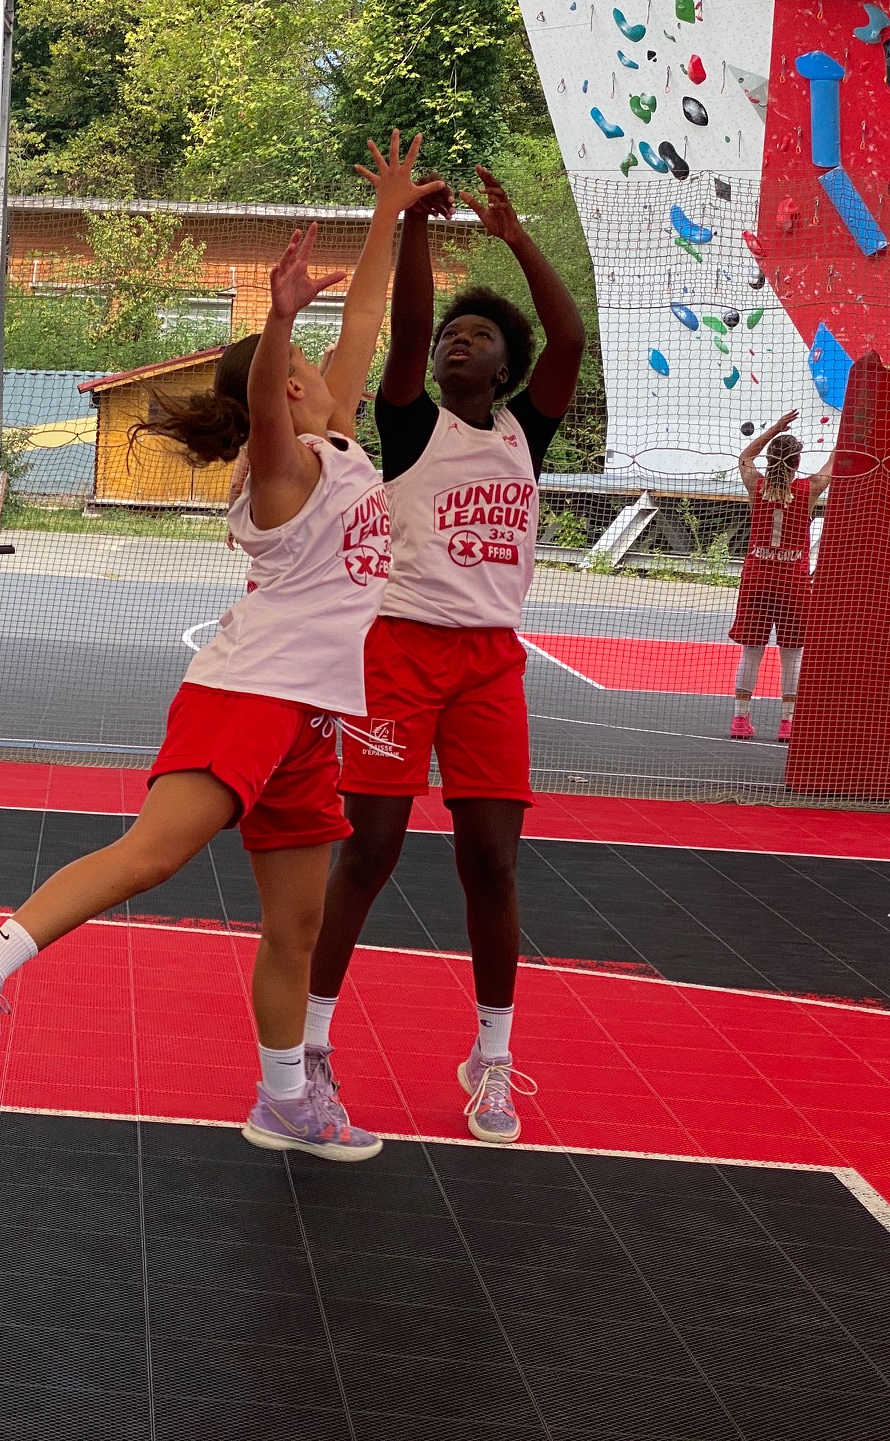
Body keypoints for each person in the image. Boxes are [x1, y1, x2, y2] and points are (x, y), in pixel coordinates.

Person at [0, 135, 445, 1161]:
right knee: (153, 855)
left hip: (306, 715)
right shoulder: (281, 476)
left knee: (296, 927)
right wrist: (277, 319)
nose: (322, 371)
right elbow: (270, 401)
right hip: (247, 695)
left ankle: (285, 1102)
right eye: (300, 368)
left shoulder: (337, 442)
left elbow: (364, 324)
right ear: (280, 395)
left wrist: (388, 215)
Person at [307, 166, 587, 1147]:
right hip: (400, 652)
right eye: (451, 338)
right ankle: (311, 1044)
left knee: (492, 863)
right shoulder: (412, 424)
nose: (459, 342)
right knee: (370, 848)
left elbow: (570, 339)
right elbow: (412, 328)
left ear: (507, 369)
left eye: (482, 337)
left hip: (489, 667)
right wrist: (417, 229)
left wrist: (513, 234)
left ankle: (493, 1058)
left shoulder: (524, 434)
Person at [728, 411, 827, 741]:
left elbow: (745, 457)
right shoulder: (809, 489)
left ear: (769, 460)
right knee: (792, 653)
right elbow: (835, 464)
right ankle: (787, 722)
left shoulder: (756, 485)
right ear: (798, 462)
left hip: (757, 579)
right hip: (793, 583)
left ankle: (740, 718)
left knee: (752, 651)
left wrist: (774, 430)